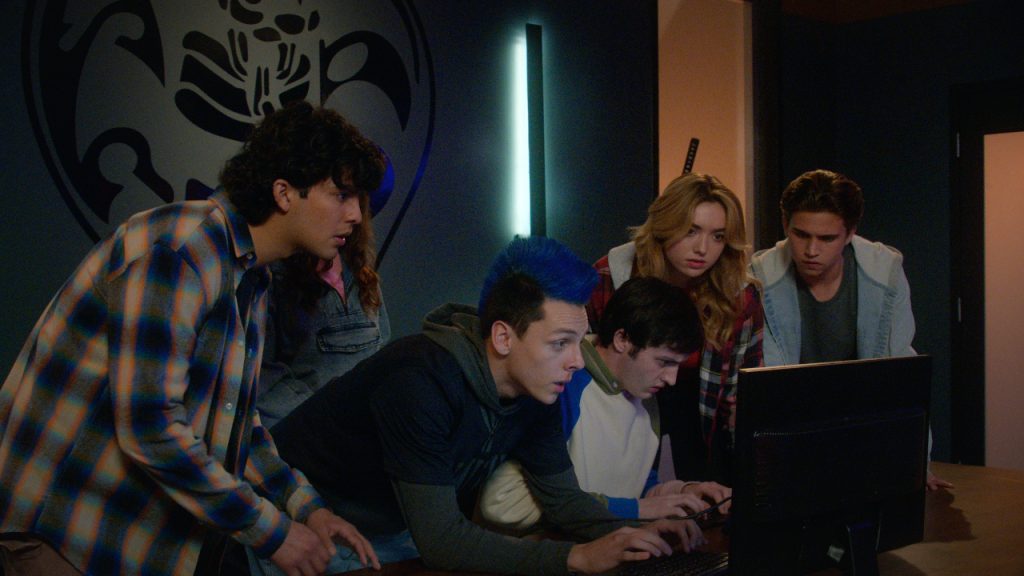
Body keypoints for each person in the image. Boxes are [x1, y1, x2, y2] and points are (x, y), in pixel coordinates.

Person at [0, 101, 383, 576]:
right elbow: (148, 425)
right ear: (284, 193)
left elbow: (237, 425)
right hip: (58, 533)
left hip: (115, 543)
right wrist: (272, 533)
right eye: (341, 195)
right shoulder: (181, 248)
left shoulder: (252, 275)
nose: (355, 215)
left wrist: (305, 507)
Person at [263, 236, 705, 576]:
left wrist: (637, 533)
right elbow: (442, 540)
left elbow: (564, 501)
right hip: (299, 516)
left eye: (577, 341)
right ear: (503, 337)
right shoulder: (419, 379)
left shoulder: (537, 389)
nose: (576, 360)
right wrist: (577, 557)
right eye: (560, 343)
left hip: (393, 529)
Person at [749, 168, 952, 491]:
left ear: (850, 234)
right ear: (785, 225)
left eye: (827, 238)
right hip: (792, 439)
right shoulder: (761, 278)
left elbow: (900, 371)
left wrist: (916, 463)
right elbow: (768, 384)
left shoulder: (884, 273)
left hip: (863, 434)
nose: (811, 250)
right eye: (801, 235)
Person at [479, 276, 731, 531]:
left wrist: (683, 492)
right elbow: (503, 505)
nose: (672, 379)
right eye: (664, 362)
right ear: (622, 339)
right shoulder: (560, 386)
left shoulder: (645, 396)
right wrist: (634, 510)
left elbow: (635, 486)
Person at [587, 173, 763, 484]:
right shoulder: (610, 277)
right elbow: (582, 364)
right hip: (616, 416)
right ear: (665, 225)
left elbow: (742, 391)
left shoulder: (739, 295)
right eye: (691, 231)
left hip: (702, 419)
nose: (702, 248)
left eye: (718, 236)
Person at [257, 185, 389, 429]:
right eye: (342, 196)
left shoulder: (361, 275)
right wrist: (329, 422)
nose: (355, 215)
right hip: (300, 434)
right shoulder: (272, 278)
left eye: (359, 199)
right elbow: (262, 380)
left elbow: (381, 352)